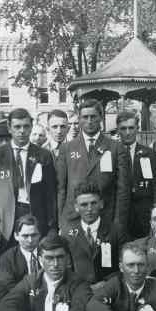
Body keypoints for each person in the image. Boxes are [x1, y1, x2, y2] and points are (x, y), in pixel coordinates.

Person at [55, 99, 130, 246]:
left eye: (93, 117)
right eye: (85, 117)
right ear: (79, 119)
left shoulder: (115, 148)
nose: (89, 121)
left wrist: (119, 223)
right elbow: (61, 189)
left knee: (103, 263)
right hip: (73, 219)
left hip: (105, 219)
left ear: (101, 118)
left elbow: (123, 191)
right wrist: (61, 221)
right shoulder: (67, 148)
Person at [0, 108, 57, 256]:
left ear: (31, 127)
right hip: (7, 217)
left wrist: (51, 226)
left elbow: (51, 194)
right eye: (17, 127)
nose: (22, 131)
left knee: (35, 260)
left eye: (26, 126)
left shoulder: (43, 155)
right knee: (6, 260)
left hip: (34, 214)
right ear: (9, 128)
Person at [116, 111, 156, 240]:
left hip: (144, 215)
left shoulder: (149, 154)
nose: (127, 132)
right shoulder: (111, 154)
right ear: (118, 130)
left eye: (131, 128)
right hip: (119, 215)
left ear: (137, 129)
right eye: (123, 128)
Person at [59, 183, 120, 283]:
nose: (89, 209)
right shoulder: (66, 234)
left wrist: (106, 284)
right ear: (76, 207)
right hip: (78, 290)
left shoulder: (115, 231)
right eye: (84, 205)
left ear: (101, 204)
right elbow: (66, 269)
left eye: (93, 203)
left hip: (108, 289)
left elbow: (122, 265)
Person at [0, 215, 44, 293]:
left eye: (34, 235)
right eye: (25, 236)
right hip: (20, 299)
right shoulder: (7, 258)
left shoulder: (47, 253)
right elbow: (7, 286)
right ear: (16, 236)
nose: (30, 240)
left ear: (39, 235)